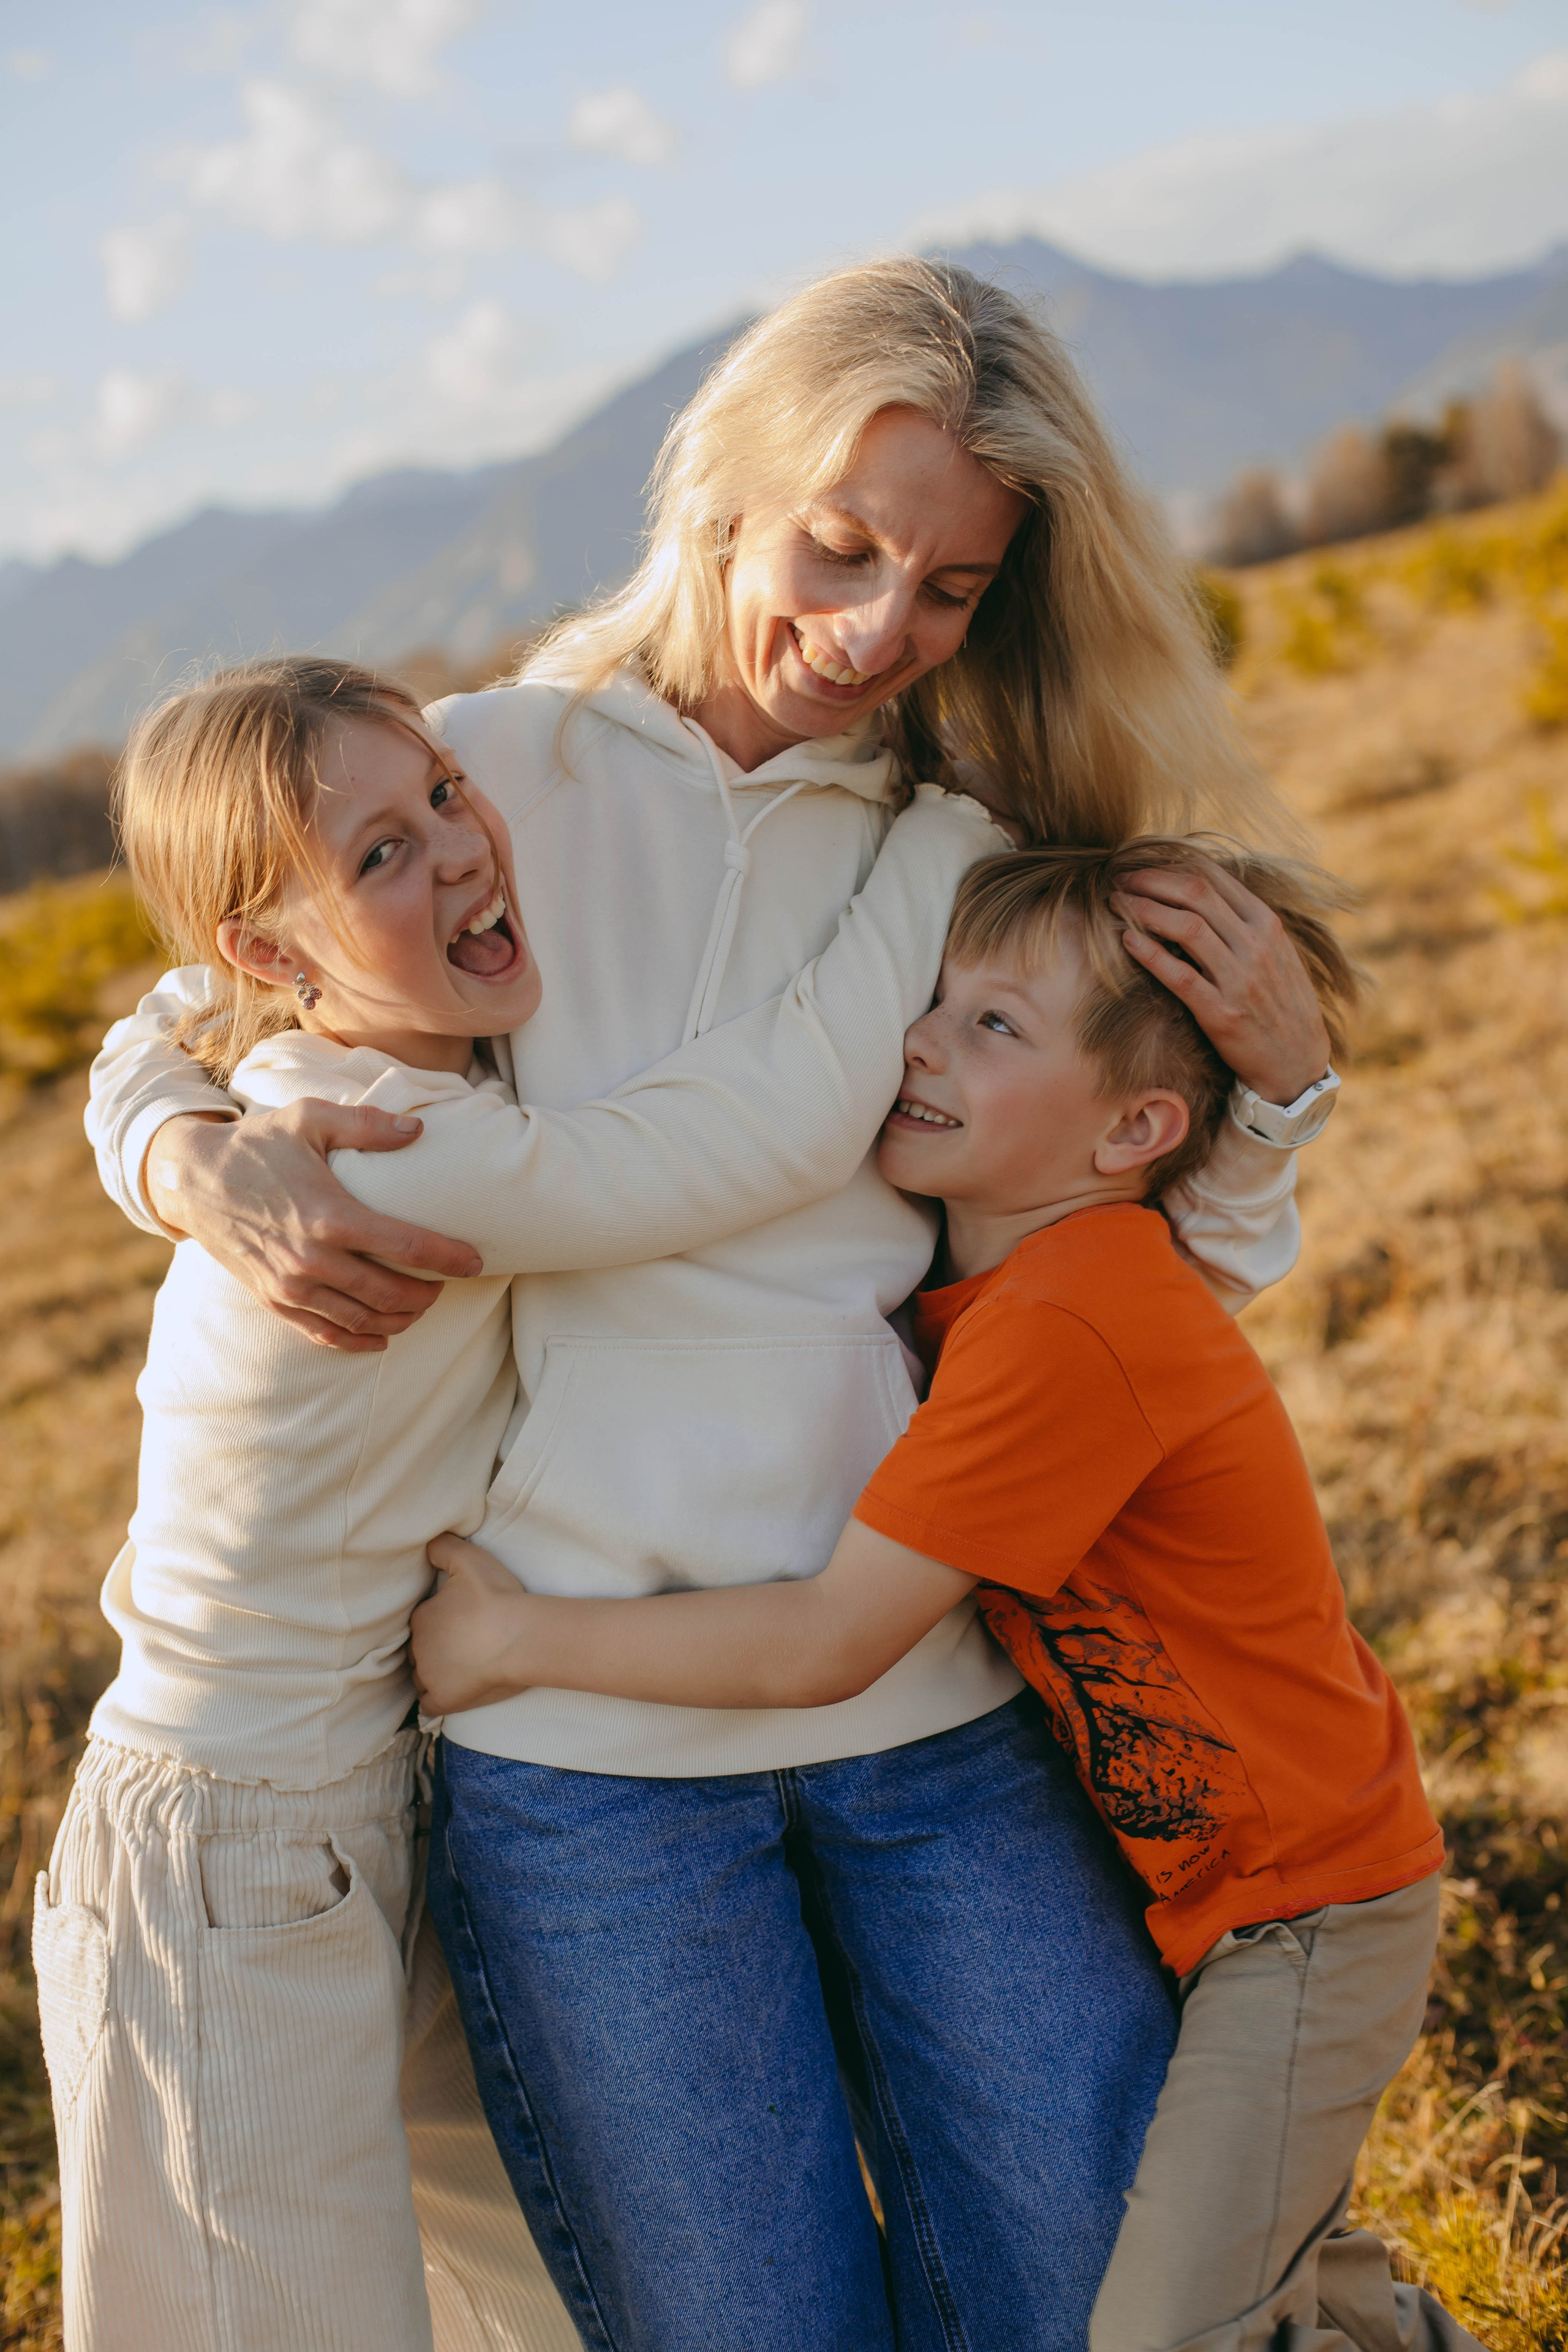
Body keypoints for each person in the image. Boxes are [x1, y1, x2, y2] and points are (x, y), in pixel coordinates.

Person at [84, 260, 1344, 2351]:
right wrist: (179, 1147)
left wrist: (1281, 1095)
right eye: (843, 549)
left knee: (1099, 2300)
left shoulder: (977, 856)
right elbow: (209, 984)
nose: (876, 634)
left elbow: (1128, 1273)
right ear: (727, 487)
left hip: (933, 1713)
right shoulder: (481, 779)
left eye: (948, 591)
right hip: (582, 1767)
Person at [43, 655, 1008, 2352]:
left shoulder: (425, 1067)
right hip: (227, 1836)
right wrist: (942, 843)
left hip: (372, 1805)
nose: (462, 850)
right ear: (272, 955)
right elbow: (749, 1141)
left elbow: (165, 1013)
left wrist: (157, 1131)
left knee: (532, 2308)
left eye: (442, 792)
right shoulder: (380, 1146)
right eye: (382, 858)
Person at [412, 839, 1482, 2352]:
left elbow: (828, 1639)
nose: (919, 1038)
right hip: (1238, 1897)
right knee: (1255, 2276)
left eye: (995, 1027)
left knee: (1163, 2334)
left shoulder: (1065, 1319)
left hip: (1307, 1912)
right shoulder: (1001, 1296)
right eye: (939, 1001)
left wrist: (517, 1637)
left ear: (1135, 1130)